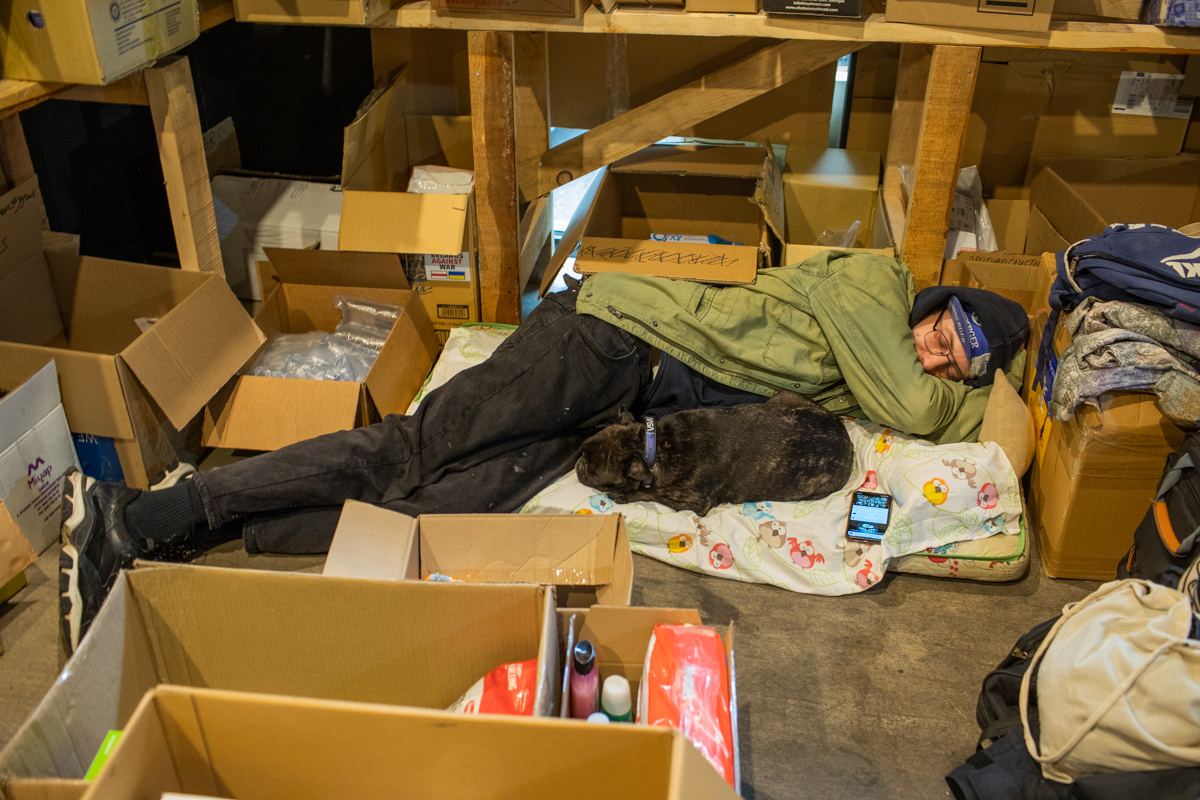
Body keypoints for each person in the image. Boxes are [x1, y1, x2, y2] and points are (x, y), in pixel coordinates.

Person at [57, 250, 1028, 652]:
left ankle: (201, 534)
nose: (938, 354)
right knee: (413, 451)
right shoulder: (874, 286)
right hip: (607, 339)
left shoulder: (862, 372)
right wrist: (968, 390)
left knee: (447, 506)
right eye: (947, 331)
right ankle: (138, 514)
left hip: (619, 407)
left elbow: (924, 419)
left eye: (961, 360)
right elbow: (919, 405)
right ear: (935, 301)